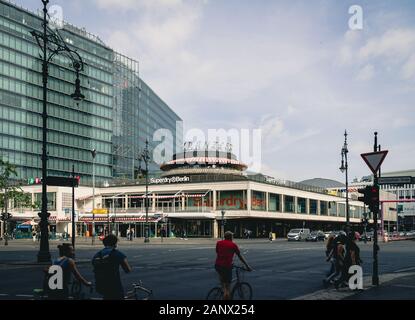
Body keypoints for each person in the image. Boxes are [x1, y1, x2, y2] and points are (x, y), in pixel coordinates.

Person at [215, 231, 252, 300]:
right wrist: (247, 266)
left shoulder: (219, 243)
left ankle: (222, 290)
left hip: (217, 265)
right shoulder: (233, 245)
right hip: (226, 266)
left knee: (222, 280)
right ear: (231, 237)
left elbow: (217, 252)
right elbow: (240, 256)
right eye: (232, 236)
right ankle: (226, 296)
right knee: (228, 287)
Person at [92, 234, 132, 300]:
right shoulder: (117, 253)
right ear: (115, 243)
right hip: (114, 286)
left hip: (100, 284)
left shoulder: (97, 254)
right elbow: (128, 270)